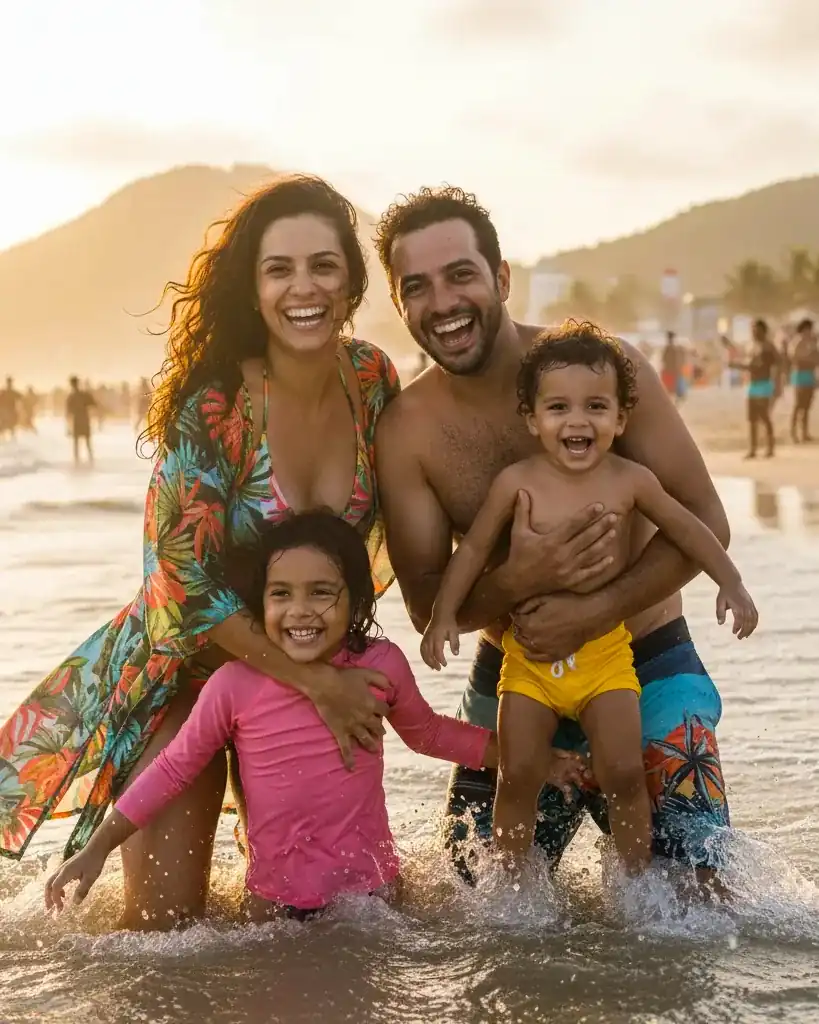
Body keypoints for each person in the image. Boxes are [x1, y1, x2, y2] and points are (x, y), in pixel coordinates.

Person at [0, 174, 400, 931]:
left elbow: (408, 511)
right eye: (278, 269)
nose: (302, 287)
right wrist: (316, 686)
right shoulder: (216, 404)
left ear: (350, 280)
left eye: (322, 265)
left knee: (316, 925)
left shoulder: (372, 380)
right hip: (187, 676)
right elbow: (181, 585)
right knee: (163, 936)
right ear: (252, 290)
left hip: (306, 679)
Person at [373, 186, 733, 892]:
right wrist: (518, 576)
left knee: (695, 907)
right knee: (482, 908)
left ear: (501, 278)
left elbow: (705, 521)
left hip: (644, 665)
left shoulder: (604, 374)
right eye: (416, 287)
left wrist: (600, 609)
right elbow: (425, 608)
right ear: (400, 305)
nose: (442, 302)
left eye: (460, 275)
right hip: (518, 680)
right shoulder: (407, 431)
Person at [420, 323, 757, 877]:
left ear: (621, 419)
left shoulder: (631, 480)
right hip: (528, 665)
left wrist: (731, 581)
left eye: (596, 407)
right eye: (559, 408)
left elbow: (693, 529)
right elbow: (474, 548)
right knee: (520, 772)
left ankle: (632, 885)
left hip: (606, 659)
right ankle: (509, 888)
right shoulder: (516, 482)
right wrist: (442, 618)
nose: (577, 421)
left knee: (625, 771)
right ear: (532, 418)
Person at [44, 511, 498, 922]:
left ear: (358, 603)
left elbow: (429, 734)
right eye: (281, 593)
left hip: (371, 900)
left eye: (320, 592)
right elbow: (173, 768)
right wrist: (98, 847)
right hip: (272, 910)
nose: (299, 609)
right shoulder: (234, 685)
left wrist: (525, 757)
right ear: (260, 605)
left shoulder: (380, 665)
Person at [730, 318, 781, 459]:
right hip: (752, 385)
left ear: (763, 331)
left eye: (756, 329)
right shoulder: (751, 346)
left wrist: (777, 384)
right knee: (752, 418)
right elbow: (750, 364)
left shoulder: (768, 347)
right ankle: (753, 449)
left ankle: (770, 448)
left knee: (764, 417)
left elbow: (772, 364)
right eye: (752, 329)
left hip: (764, 384)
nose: (753, 332)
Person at [790, 318, 817, 443]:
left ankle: (804, 432)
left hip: (809, 375)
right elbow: (795, 359)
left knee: (806, 405)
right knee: (798, 405)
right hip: (800, 375)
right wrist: (809, 360)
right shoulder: (798, 341)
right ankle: (793, 432)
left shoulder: (811, 342)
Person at [65, 376, 96, 464]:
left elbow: (68, 412)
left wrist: (67, 426)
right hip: (84, 419)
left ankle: (77, 460)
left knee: (77, 442)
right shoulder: (83, 394)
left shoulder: (71, 397)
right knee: (87, 441)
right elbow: (93, 404)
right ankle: (90, 459)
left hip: (77, 420)